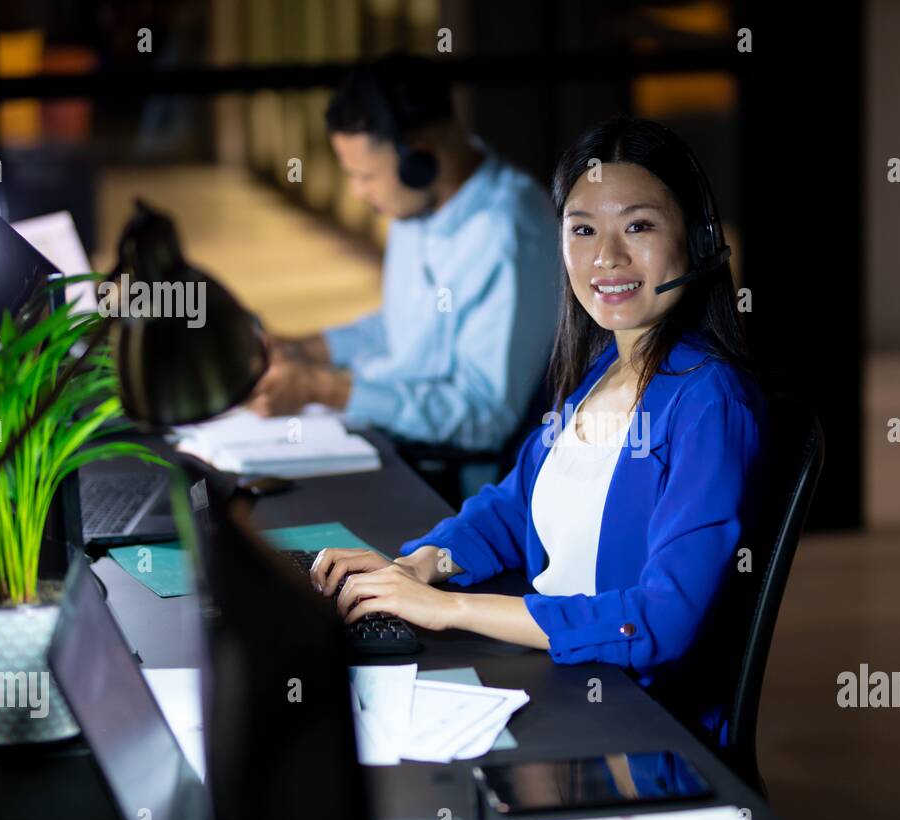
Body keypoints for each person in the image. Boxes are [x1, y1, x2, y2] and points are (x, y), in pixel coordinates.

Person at [311, 116, 765, 741]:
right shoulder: (605, 367)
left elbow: (660, 620)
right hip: (564, 683)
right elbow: (513, 506)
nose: (606, 256)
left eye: (638, 225)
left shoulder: (709, 404)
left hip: (636, 728)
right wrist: (418, 565)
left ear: (698, 238)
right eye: (583, 229)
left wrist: (450, 609)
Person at [249, 54, 559, 455]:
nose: (359, 192)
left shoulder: (509, 233)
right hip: (386, 435)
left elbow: (486, 416)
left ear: (421, 156)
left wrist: (324, 389)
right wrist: (301, 349)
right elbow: (403, 331)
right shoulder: (417, 203)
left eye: (365, 176)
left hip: (442, 471)